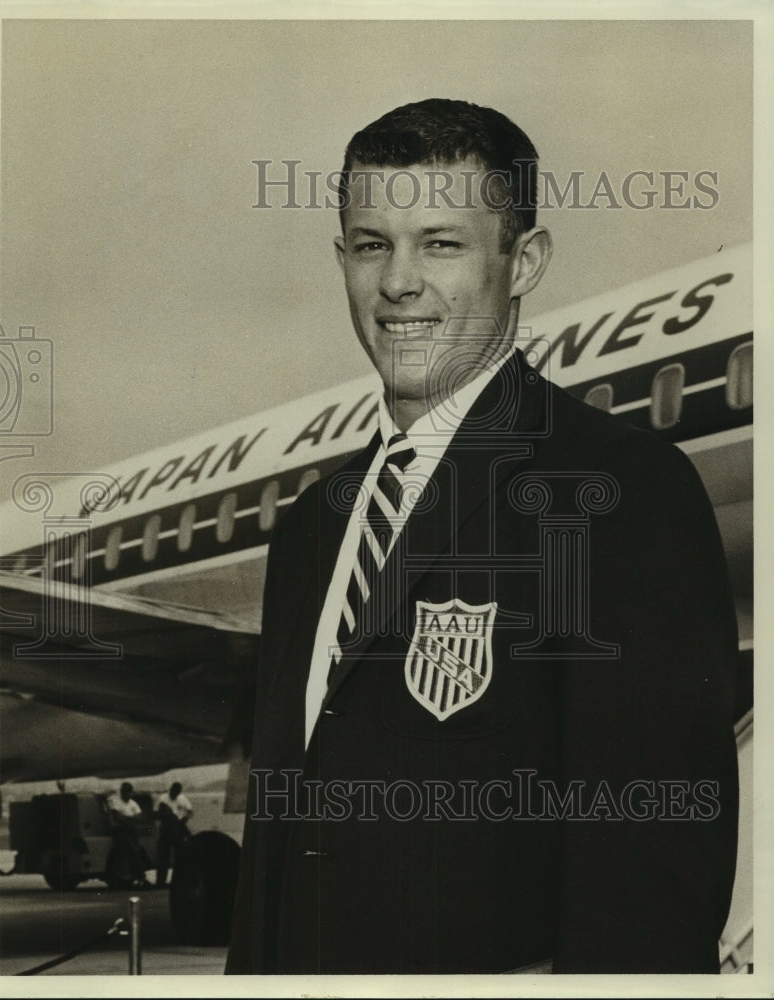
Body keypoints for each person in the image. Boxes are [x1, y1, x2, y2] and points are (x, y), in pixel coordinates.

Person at [225, 99, 739, 974]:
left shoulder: (619, 491)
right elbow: (280, 841)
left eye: (442, 242)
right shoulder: (314, 528)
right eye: (370, 243)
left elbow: (649, 872)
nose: (398, 283)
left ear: (524, 260)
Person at [107, 781, 148, 887]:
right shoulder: (115, 801)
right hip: (120, 831)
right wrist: (131, 819)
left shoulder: (133, 803)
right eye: (124, 791)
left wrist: (127, 818)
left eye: (128, 792)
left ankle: (138, 877)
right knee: (130, 852)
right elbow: (117, 817)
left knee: (135, 852)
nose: (126, 794)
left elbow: (140, 817)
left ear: (131, 793)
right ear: (121, 792)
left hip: (131, 831)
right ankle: (138, 877)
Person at [155, 780, 193, 888]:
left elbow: (190, 811)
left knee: (179, 856)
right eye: (173, 792)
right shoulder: (163, 798)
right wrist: (167, 816)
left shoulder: (182, 799)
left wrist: (185, 817)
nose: (175, 794)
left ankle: (178, 880)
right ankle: (160, 882)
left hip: (179, 828)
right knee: (164, 857)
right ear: (170, 790)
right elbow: (156, 813)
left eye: (177, 792)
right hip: (166, 829)